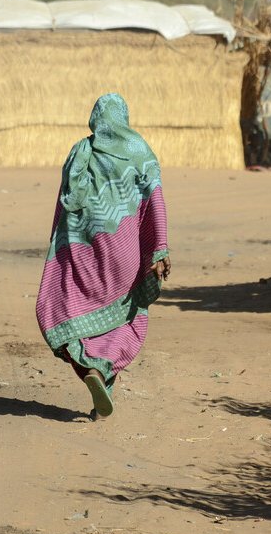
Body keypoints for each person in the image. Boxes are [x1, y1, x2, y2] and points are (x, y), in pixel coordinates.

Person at [35, 93, 170, 421]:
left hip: (83, 252)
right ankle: (103, 384)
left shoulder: (80, 152)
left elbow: (64, 207)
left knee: (70, 311)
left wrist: (61, 252)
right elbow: (156, 202)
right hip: (124, 255)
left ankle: (91, 370)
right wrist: (159, 248)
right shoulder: (140, 153)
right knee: (127, 317)